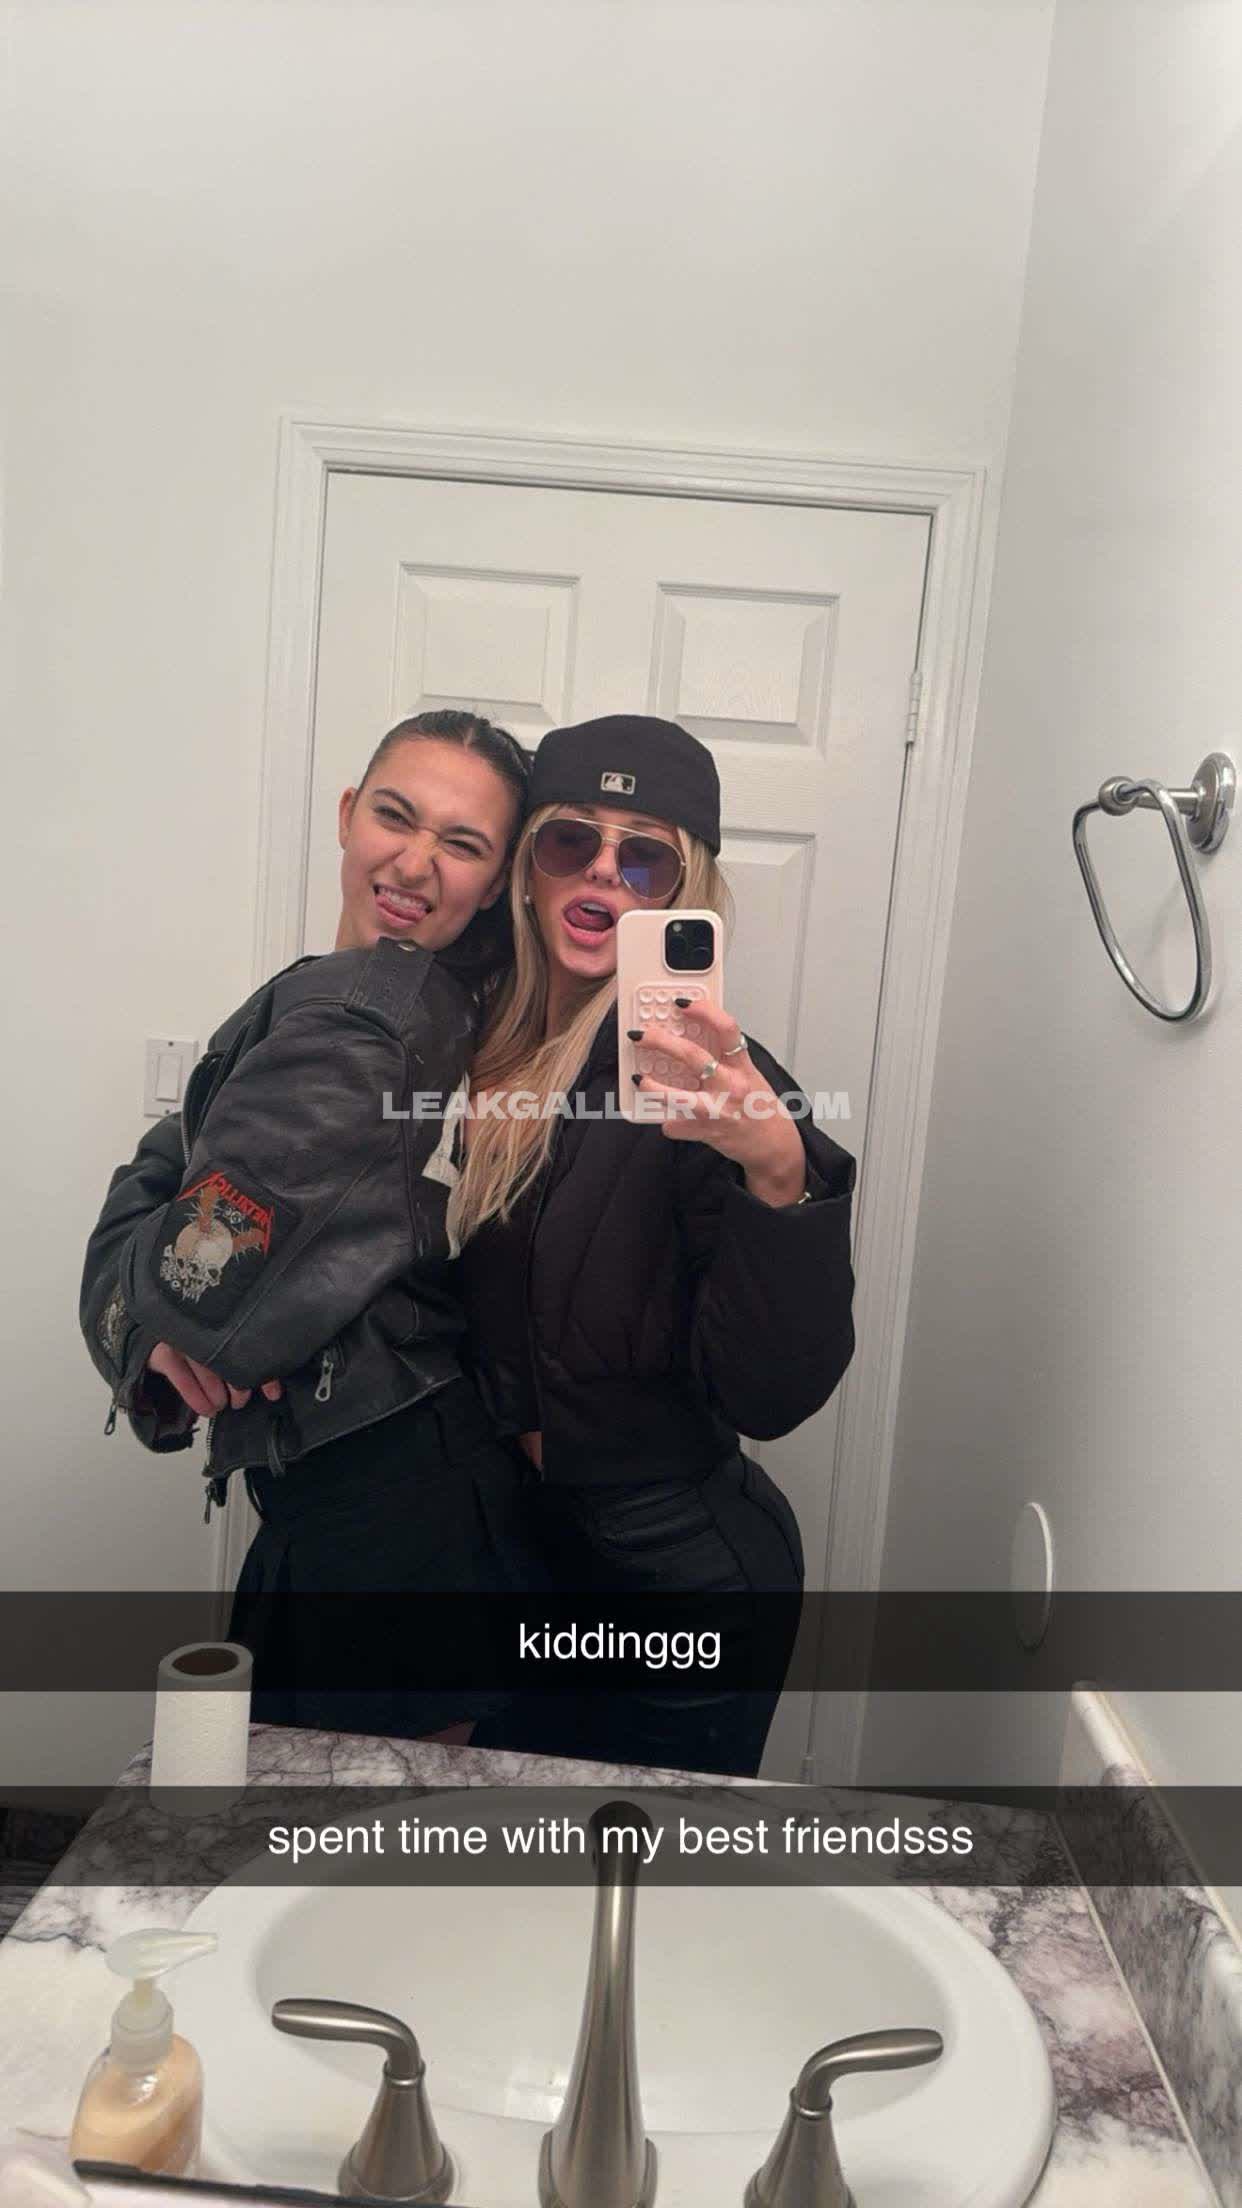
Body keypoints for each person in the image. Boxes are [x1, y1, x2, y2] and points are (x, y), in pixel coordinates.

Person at [80, 709, 542, 1740]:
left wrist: (155, 1272)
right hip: (385, 1495)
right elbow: (181, 1193)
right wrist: (162, 1232)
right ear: (347, 813)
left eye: (462, 844)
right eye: (396, 816)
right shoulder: (378, 999)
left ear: (495, 882)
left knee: (354, 1828)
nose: (414, 863)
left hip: (389, 1517)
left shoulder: (367, 1017)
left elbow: (197, 1290)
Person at [453, 713, 857, 1775]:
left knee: (651, 1865)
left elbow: (772, 1395)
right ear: (528, 869)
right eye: (569, 840)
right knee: (514, 1855)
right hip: (520, 1557)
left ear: (684, 896)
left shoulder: (715, 1087)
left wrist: (778, 1173)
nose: (603, 871)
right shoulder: (476, 1044)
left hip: (676, 1575)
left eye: (644, 857)